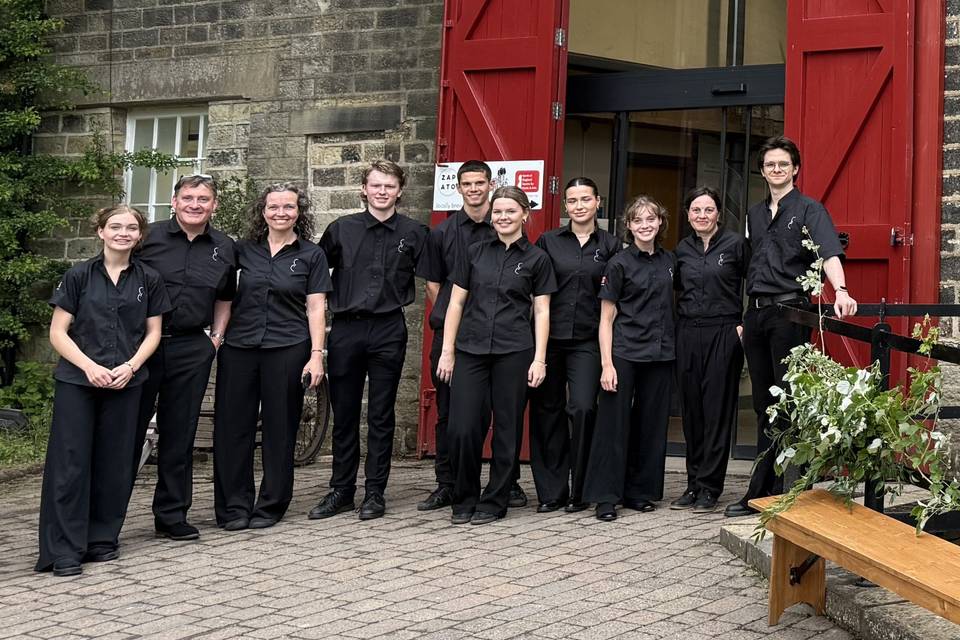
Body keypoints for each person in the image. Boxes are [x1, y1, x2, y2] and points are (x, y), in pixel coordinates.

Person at [724, 136, 858, 518]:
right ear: (762, 170)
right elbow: (749, 267)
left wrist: (842, 290)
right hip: (757, 315)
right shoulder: (753, 214)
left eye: (783, 164)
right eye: (770, 165)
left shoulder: (809, 209)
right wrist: (742, 319)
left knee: (787, 403)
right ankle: (768, 489)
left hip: (790, 314)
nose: (777, 170)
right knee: (766, 406)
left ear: (795, 169)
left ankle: (784, 491)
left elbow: (828, 252)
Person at [37, 205, 170, 576]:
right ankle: (63, 549)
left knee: (115, 462)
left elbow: (153, 332)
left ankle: (101, 540)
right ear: (100, 232)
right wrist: (89, 367)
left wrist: (130, 367)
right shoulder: (78, 276)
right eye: (115, 226)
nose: (122, 233)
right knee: (71, 464)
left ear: (139, 236)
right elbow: (58, 332)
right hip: (79, 382)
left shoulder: (149, 279)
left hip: (128, 382)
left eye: (131, 228)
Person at [311, 160, 429, 521]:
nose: (382, 192)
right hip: (346, 328)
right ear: (364, 189)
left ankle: (375, 492)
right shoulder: (340, 230)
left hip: (389, 328)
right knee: (344, 412)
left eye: (389, 186)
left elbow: (436, 281)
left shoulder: (414, 233)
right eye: (375, 185)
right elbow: (315, 279)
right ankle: (342, 490)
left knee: (381, 413)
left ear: (399, 191)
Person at [436, 186, 556, 525]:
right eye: (498, 211)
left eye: (510, 211)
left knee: (506, 428)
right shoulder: (473, 252)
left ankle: (495, 500)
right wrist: (448, 351)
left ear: (524, 214)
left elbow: (542, 311)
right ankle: (464, 497)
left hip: (514, 352)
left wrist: (539, 359)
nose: (503, 217)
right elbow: (456, 303)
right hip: (470, 350)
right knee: (462, 427)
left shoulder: (537, 259)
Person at [213, 183, 331, 531]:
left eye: (289, 207)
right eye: (273, 207)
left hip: (288, 348)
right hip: (240, 348)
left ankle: (271, 504)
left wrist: (316, 355)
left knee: (281, 428)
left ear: (300, 212)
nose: (281, 213)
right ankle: (233, 507)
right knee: (233, 429)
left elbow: (315, 307)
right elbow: (223, 296)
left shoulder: (311, 255)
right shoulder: (240, 251)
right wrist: (217, 337)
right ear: (262, 211)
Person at [133, 174, 237, 542]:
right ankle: (105, 517)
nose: (196, 204)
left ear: (215, 205)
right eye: (188, 197)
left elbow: (226, 295)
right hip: (142, 347)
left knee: (180, 433)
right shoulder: (146, 239)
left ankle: (172, 515)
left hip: (193, 347)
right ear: (174, 201)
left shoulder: (225, 247)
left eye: (204, 198)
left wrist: (216, 338)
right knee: (127, 430)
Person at [529, 177, 620, 513]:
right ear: (565, 206)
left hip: (586, 340)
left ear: (598, 202)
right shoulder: (547, 242)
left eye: (585, 199)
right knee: (546, 413)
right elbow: (535, 292)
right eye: (572, 200)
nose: (579, 206)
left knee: (583, 407)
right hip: (547, 341)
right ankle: (551, 491)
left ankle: (580, 489)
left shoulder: (610, 245)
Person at [583, 195, 675, 522]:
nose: (645, 225)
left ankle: (640, 491)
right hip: (624, 352)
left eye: (651, 219)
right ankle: (606, 496)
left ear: (660, 222)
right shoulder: (619, 264)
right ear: (630, 226)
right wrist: (607, 364)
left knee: (650, 424)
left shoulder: (669, 261)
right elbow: (606, 319)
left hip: (661, 353)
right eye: (638, 220)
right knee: (613, 424)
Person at [416, 160, 496, 511]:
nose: (474, 189)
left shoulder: (504, 225)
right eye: (468, 183)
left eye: (480, 182)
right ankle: (447, 484)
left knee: (492, 412)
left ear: (490, 185)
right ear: (458, 187)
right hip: (452, 338)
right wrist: (455, 317)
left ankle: (500, 484)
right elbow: (433, 283)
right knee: (448, 413)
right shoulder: (442, 233)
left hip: (496, 336)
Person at [672, 186, 747, 513]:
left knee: (716, 411)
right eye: (696, 210)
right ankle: (692, 483)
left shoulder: (735, 245)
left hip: (723, 331)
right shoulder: (681, 250)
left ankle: (709, 488)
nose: (702, 215)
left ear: (718, 213)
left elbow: (755, 282)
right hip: (688, 331)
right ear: (688, 214)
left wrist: (745, 324)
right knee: (692, 412)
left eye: (708, 210)